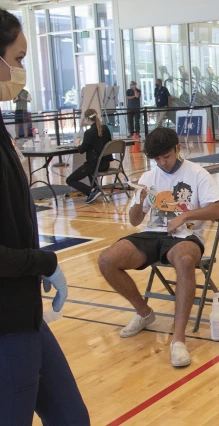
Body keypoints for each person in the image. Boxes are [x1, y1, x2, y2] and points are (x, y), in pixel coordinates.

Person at [0, 9, 90, 424]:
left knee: (72, 417)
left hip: (25, 312)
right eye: (17, 60)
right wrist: (44, 261)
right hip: (6, 323)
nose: (21, 72)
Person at [98, 127, 219, 367]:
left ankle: (178, 339)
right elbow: (136, 221)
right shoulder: (149, 177)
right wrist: (138, 201)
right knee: (107, 260)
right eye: (157, 159)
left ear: (177, 148)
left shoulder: (197, 174)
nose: (162, 163)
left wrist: (186, 217)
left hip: (186, 237)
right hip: (152, 234)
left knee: (185, 260)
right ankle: (144, 312)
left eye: (166, 157)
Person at [66, 108, 113, 204]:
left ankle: (92, 190)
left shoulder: (89, 132)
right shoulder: (105, 128)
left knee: (70, 180)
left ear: (87, 119)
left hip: (94, 165)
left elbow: (82, 150)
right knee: (89, 169)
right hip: (105, 163)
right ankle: (95, 189)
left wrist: (78, 144)